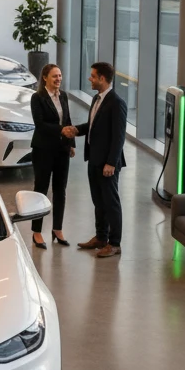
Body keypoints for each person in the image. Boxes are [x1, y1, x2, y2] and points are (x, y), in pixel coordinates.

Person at [62, 61, 127, 259]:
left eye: (93, 76)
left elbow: (118, 137)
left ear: (102, 78)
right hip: (94, 159)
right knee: (98, 201)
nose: (89, 79)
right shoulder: (96, 99)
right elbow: (92, 126)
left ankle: (114, 244)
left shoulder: (116, 103)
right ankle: (101, 237)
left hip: (107, 163)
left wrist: (111, 163)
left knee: (111, 203)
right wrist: (77, 130)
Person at [28, 63, 76, 249]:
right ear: (45, 78)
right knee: (40, 189)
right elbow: (39, 124)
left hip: (62, 149)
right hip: (43, 149)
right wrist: (60, 130)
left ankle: (57, 229)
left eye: (60, 75)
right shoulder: (37, 98)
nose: (58, 79)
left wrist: (71, 144)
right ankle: (36, 232)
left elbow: (68, 119)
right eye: (55, 76)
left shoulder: (63, 95)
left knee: (60, 190)